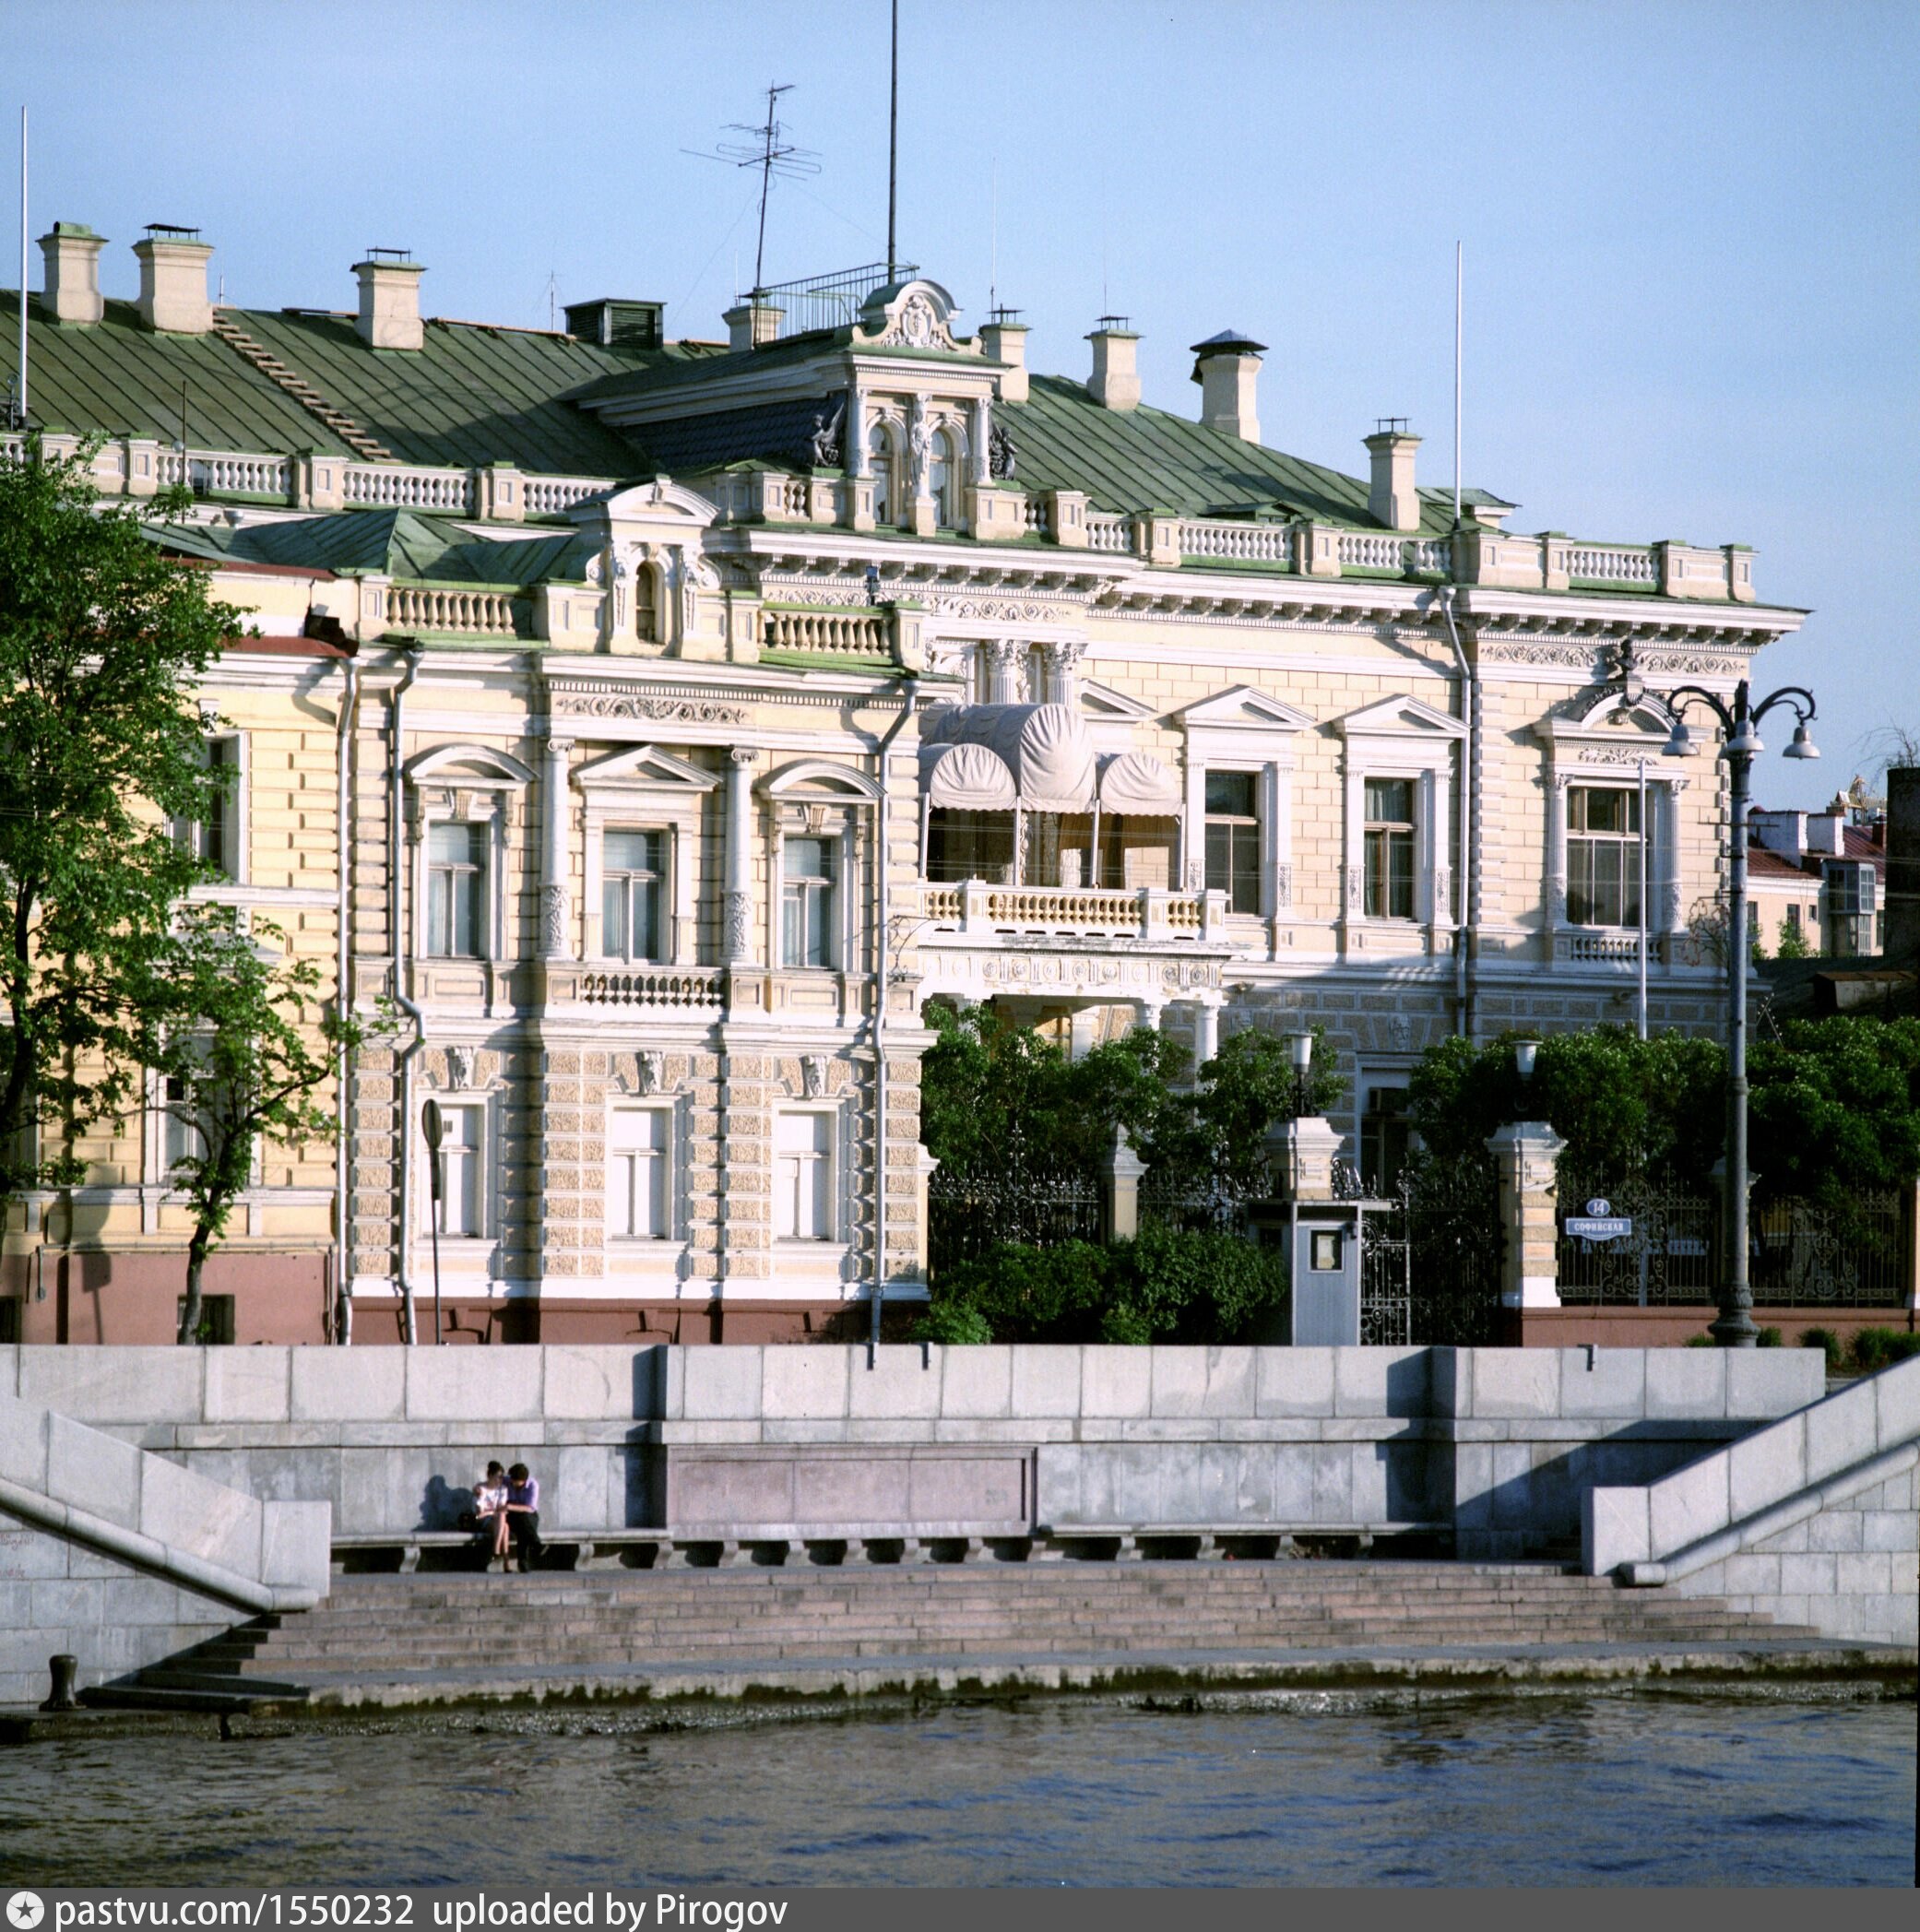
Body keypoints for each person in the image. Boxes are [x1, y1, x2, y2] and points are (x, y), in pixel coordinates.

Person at [504, 1463, 541, 1573]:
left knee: (524, 1522)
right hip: (511, 1516)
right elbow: (491, 1480)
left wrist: (510, 1506)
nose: (513, 1484)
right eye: (512, 1480)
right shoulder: (507, 1481)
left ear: (523, 1480)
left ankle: (523, 1562)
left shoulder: (533, 1485)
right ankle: (535, 1544)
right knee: (523, 1524)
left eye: (516, 1482)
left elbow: (530, 1508)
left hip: (528, 1515)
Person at [472, 1461, 509, 1570]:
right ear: (490, 1476)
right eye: (498, 1477)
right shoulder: (480, 1489)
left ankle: (497, 1551)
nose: (500, 1480)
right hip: (483, 1520)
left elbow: (501, 1508)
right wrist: (493, 1511)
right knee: (504, 1524)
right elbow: (480, 1513)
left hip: (496, 1519)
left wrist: (492, 1511)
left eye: (502, 1477)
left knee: (504, 1525)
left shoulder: (503, 1489)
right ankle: (504, 1560)